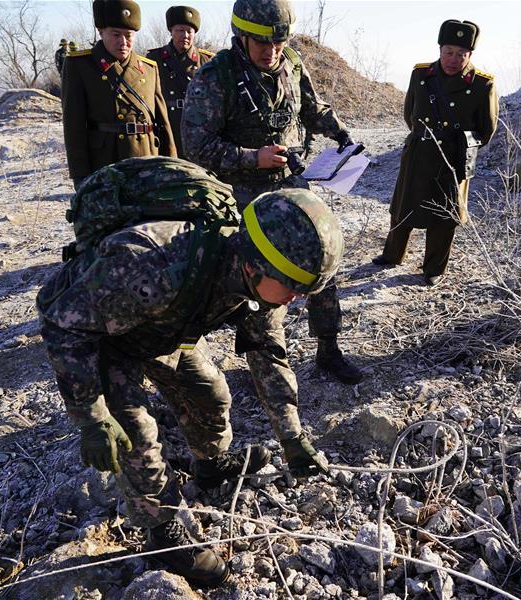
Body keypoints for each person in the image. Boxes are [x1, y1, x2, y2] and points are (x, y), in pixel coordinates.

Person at [37, 162, 340, 587]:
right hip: (106, 338)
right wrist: (90, 415)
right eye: (291, 286)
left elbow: (269, 355)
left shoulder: (260, 286)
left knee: (211, 396)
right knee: (137, 438)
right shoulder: (153, 263)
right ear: (255, 265)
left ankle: (211, 465)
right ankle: (162, 533)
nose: (294, 297)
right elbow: (62, 322)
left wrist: (292, 436)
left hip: (166, 328)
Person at [182, 0, 363, 384]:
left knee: (322, 262)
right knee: (259, 283)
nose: (272, 51)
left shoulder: (291, 64)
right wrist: (253, 158)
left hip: (291, 186)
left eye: (279, 43)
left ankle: (328, 349)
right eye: (263, 43)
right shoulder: (216, 77)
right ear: (242, 37)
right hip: (239, 195)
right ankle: (262, 363)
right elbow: (196, 145)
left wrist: (339, 132)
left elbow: (312, 108)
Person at [372, 20, 498, 286]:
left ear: (470, 55)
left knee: (444, 214)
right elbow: (410, 113)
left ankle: (433, 268)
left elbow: (486, 129)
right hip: (420, 150)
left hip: (453, 157)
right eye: (448, 52)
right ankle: (392, 254)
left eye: (461, 54)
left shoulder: (482, 84)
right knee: (403, 204)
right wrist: (425, 137)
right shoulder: (421, 75)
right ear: (440, 50)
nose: (453, 59)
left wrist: (459, 144)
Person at [61, 0, 176, 190]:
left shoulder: (149, 68)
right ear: (101, 32)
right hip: (105, 162)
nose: (123, 42)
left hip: (147, 159)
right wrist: (80, 175)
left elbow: (163, 123)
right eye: (116, 35)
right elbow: (74, 126)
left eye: (128, 36)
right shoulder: (80, 65)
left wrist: (172, 164)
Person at [146, 6, 214, 157]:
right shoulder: (154, 59)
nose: (185, 35)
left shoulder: (207, 61)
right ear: (171, 31)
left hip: (198, 126)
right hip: (168, 126)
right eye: (180, 30)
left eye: (189, 31)